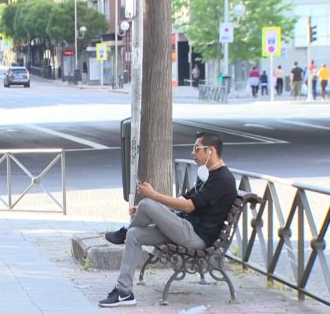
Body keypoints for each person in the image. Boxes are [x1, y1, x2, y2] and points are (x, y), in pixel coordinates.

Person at [100, 132, 237, 307]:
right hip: (184, 228)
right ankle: (124, 292)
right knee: (135, 234)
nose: (192, 153)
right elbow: (182, 201)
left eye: (196, 148)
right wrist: (156, 211)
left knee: (148, 203)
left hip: (196, 237)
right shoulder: (207, 176)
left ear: (211, 150)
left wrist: (154, 196)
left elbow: (189, 206)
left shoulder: (223, 180)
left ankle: (125, 231)